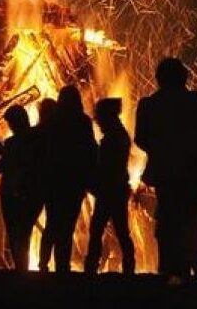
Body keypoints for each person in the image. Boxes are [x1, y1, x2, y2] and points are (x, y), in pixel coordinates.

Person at [135, 58, 197, 280]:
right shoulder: (196, 102)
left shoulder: (149, 105)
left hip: (165, 174)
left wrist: (162, 150)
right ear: (184, 77)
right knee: (194, 220)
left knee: (169, 219)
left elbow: (140, 138)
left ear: (159, 78)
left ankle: (172, 267)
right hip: (193, 172)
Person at [42, 85, 95, 273]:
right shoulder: (83, 122)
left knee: (52, 223)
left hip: (53, 182)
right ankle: (62, 266)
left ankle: (43, 265)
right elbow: (91, 150)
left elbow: (44, 151)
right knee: (66, 227)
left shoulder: (52, 122)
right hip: (74, 182)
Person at [84, 97, 136, 274]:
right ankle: (128, 268)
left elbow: (108, 168)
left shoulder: (114, 139)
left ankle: (91, 268)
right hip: (116, 189)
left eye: (99, 118)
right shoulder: (118, 135)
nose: (97, 122)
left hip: (111, 191)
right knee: (120, 231)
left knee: (100, 228)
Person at [0, 104, 38, 271]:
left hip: (11, 192)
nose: (10, 126)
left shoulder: (12, 142)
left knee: (14, 232)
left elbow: (0, 168)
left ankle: (20, 269)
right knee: (25, 232)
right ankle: (23, 269)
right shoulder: (35, 138)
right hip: (30, 192)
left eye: (10, 123)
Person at [34, 97, 58, 270]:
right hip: (55, 185)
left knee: (28, 226)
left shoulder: (37, 133)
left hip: (39, 185)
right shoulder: (62, 133)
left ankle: (42, 264)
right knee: (56, 226)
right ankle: (60, 265)